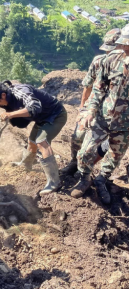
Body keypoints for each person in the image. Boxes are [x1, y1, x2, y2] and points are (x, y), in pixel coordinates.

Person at [70, 27, 129, 204]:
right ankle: (85, 179)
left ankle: (102, 179)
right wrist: (90, 110)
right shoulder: (111, 60)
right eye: (124, 45)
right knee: (85, 151)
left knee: (115, 156)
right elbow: (98, 88)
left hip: (125, 125)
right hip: (102, 118)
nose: (125, 48)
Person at [0, 81, 67, 196]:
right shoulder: (8, 97)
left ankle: (54, 182)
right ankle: (26, 164)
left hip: (56, 114)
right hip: (42, 118)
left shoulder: (20, 91)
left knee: (42, 142)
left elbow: (35, 106)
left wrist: (11, 114)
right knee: (32, 142)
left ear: (3, 95)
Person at [60, 28, 122, 177]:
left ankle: (91, 169)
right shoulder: (98, 61)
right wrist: (82, 108)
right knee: (78, 136)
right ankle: (75, 162)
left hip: (115, 110)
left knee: (109, 144)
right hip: (93, 105)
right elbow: (88, 86)